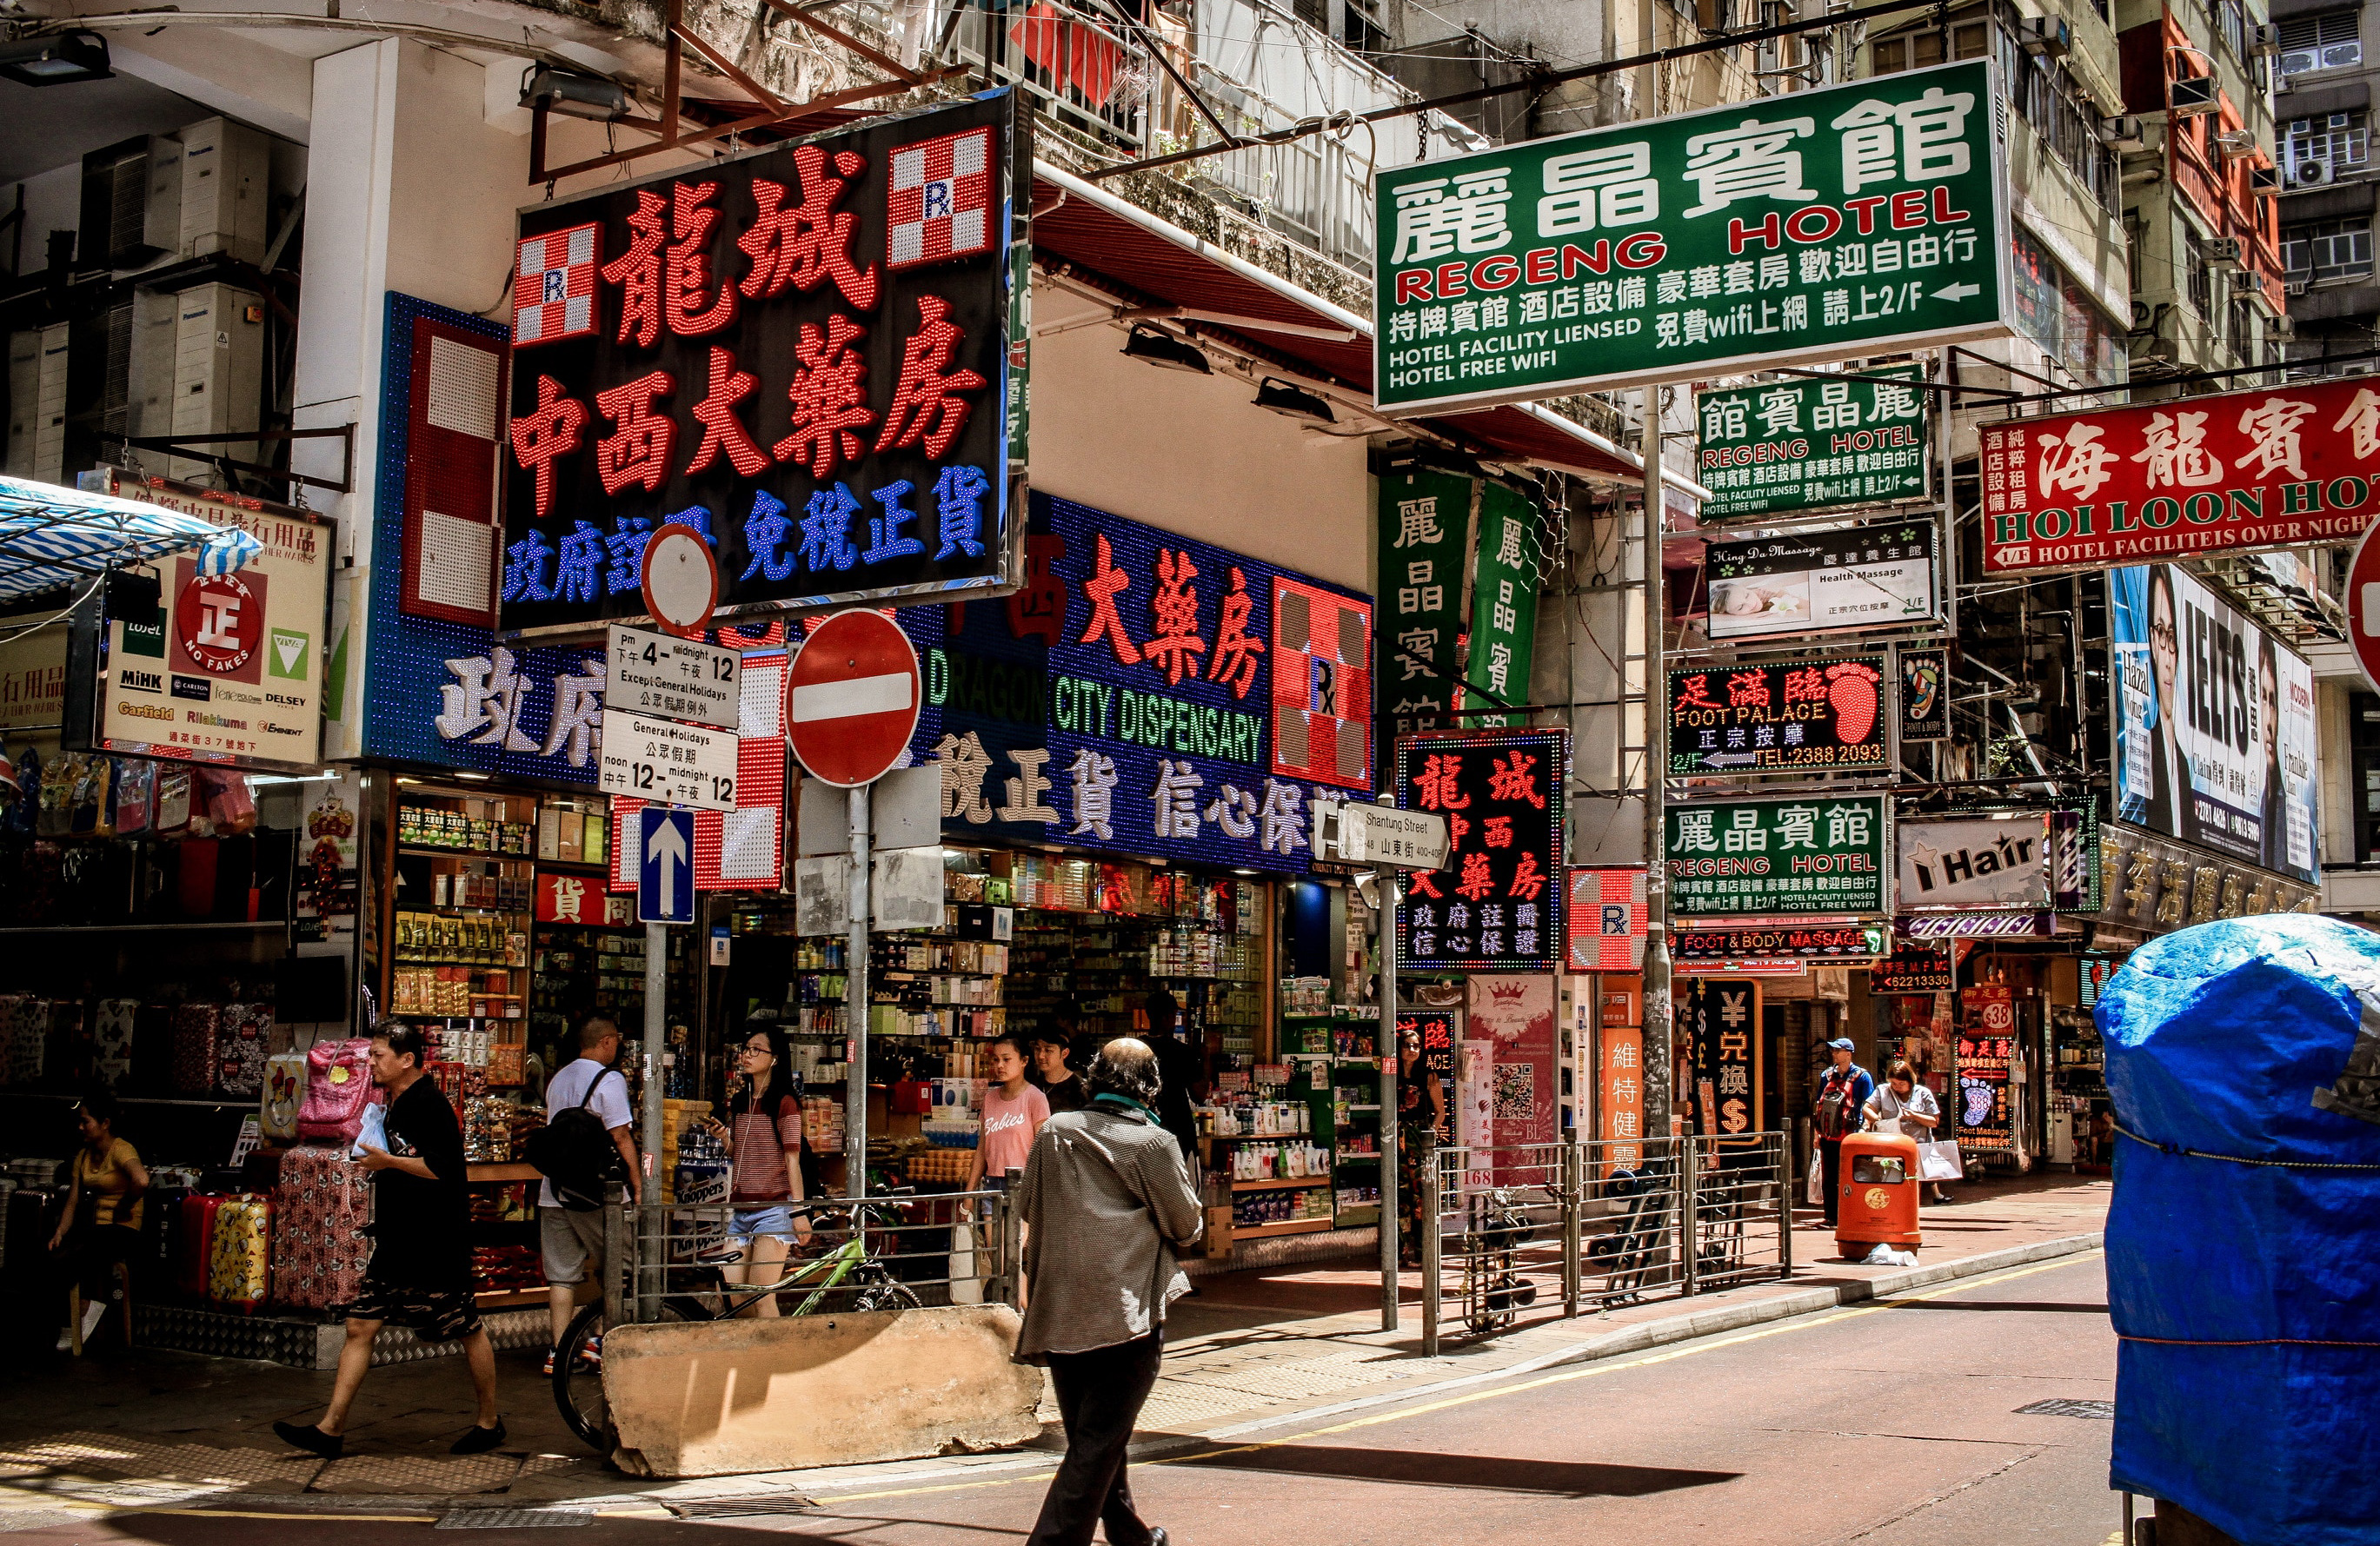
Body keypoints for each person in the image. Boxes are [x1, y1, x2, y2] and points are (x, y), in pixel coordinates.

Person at [275, 1020, 502, 1458]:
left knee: (467, 1328)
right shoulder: (393, 1102)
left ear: (407, 1060)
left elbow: (442, 1169)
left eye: (378, 1056)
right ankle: (330, 1429)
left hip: (435, 1241)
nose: (371, 1063)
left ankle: (489, 1421)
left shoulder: (430, 1104)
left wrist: (387, 1162)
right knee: (360, 1325)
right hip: (398, 1239)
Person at [1014, 1039, 1203, 1546]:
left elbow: (1028, 1205)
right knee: (1097, 1441)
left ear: (1094, 1076)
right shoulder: (1153, 1143)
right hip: (1126, 1310)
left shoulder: (1054, 1131)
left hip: (1060, 1303)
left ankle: (1132, 1538)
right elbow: (1187, 1227)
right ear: (1151, 1087)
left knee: (1094, 1437)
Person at [536, 1016, 640, 1377]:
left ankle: (559, 1351)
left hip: (554, 1190)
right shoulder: (609, 1079)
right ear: (607, 1041)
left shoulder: (559, 1077)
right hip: (598, 1192)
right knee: (621, 1267)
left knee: (561, 1276)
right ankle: (601, 1340)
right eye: (617, 1040)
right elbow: (620, 1135)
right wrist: (637, 1184)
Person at [701, 1023, 813, 1317]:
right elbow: (740, 1155)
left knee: (761, 1295)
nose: (747, 1055)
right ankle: (752, 1345)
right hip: (741, 1209)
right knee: (731, 1295)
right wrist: (724, 1138)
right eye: (746, 1049)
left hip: (775, 1210)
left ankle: (775, 1346)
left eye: (756, 1050)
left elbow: (792, 1160)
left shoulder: (785, 1103)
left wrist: (799, 1212)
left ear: (774, 1058)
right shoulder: (740, 1102)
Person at [48, 1091, 148, 1350]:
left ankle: (82, 1312)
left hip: (123, 1230)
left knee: (85, 1248)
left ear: (105, 1123)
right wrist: (59, 1232)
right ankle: (80, 1309)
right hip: (96, 1230)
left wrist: (125, 1205)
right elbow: (72, 1201)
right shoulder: (82, 1156)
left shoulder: (122, 1150)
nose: (81, 1127)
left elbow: (141, 1180)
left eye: (86, 1121)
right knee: (55, 1254)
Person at [2137, 567, 2198, 845]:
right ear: (2151, 640)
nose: (2168, 655)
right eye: (2160, 632)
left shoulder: (2184, 765)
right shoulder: (2145, 751)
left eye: (2171, 637)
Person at [1393, 1025, 1446, 1267]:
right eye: (1407, 1045)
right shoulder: (1390, 1075)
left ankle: (1424, 1252)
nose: (1412, 1050)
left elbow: (1440, 1112)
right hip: (1395, 1139)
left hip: (1418, 1139)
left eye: (1416, 1046)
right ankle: (1400, 1252)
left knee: (1421, 1197)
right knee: (1399, 1196)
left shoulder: (1429, 1076)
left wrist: (1428, 1135)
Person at [971, 1033, 1051, 1191]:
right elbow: (981, 1150)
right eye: (996, 1060)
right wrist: (969, 1192)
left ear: (1024, 1061)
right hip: (991, 1182)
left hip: (1024, 1183)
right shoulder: (990, 1098)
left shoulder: (1035, 1098)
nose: (1000, 1065)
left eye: (1006, 1059)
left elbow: (1043, 1150)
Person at [1864, 1059, 1950, 1204]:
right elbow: (1866, 1109)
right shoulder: (1883, 1091)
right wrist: (1879, 1120)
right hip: (1892, 1146)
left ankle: (1910, 1208)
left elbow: (1933, 1121)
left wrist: (1914, 1116)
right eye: (1894, 1083)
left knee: (1913, 1182)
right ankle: (1893, 1207)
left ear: (1910, 1081)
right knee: (1891, 1179)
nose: (1897, 1087)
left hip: (1917, 1147)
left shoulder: (1923, 1093)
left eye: (1901, 1084)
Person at [1811, 1036, 1874, 1232]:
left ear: (1849, 1054)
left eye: (1838, 1050)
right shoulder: (1826, 1075)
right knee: (1829, 1178)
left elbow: (1868, 1105)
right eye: (1833, 1050)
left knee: (1853, 1176)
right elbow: (1819, 1104)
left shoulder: (1862, 1077)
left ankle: (1854, 1216)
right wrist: (1816, 1134)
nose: (1834, 1054)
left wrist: (1864, 1129)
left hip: (1852, 1135)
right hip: (1828, 1135)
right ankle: (1831, 1217)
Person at [1141, 988, 1200, 1160]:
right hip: (1177, 1125)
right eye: (1174, 1015)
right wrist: (1205, 1060)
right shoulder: (1183, 1052)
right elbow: (1199, 1095)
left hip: (1144, 1122)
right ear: (1168, 1017)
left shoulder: (1136, 1048)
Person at [2257, 636, 2291, 873]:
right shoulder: (2253, 800)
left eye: (2273, 702)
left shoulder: (2284, 800)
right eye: (2262, 698)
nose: (2269, 721)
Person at [1030, 1027, 1089, 1114]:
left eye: (1048, 1050)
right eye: (1037, 1049)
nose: (1041, 1056)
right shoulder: (1031, 1085)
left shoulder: (1081, 1088)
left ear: (1064, 1053)